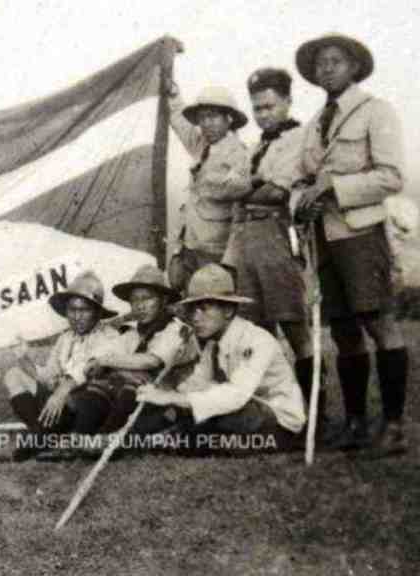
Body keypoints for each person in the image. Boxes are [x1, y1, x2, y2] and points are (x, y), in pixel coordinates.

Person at [293, 33, 408, 457]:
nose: (326, 69)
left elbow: (392, 177)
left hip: (361, 233)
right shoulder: (313, 125)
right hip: (323, 238)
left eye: (335, 61)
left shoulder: (375, 111)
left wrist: (334, 188)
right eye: (320, 63)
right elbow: (302, 180)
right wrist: (301, 201)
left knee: (379, 324)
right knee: (344, 332)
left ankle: (393, 427)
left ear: (354, 67)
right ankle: (356, 423)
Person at [224, 67, 325, 431]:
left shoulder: (298, 139)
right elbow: (232, 189)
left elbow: (276, 192)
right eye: (257, 108)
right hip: (247, 240)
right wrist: (253, 184)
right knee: (257, 332)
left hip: (276, 237)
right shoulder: (257, 146)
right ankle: (272, 414)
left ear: (287, 101)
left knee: (294, 327)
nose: (263, 114)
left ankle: (316, 415)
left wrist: (247, 187)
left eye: (269, 106)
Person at [136, 264, 306, 453]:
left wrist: (172, 398)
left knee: (217, 414)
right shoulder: (213, 345)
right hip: (244, 415)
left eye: (204, 309)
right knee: (193, 412)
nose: (195, 318)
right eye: (192, 310)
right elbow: (197, 384)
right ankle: (173, 438)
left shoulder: (257, 340)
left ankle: (181, 439)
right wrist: (164, 392)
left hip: (277, 423)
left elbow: (236, 396)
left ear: (228, 310)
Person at [0, 271, 120, 461]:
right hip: (61, 406)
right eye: (72, 310)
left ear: (97, 312)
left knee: (78, 396)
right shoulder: (66, 338)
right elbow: (47, 375)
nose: (77, 316)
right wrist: (23, 357)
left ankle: (35, 443)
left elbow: (87, 368)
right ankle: (43, 435)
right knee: (14, 375)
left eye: (84, 310)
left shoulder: (109, 336)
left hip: (88, 409)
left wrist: (61, 392)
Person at [78, 264, 198, 439]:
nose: (140, 306)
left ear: (163, 300)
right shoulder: (134, 333)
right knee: (99, 385)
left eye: (147, 298)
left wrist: (106, 362)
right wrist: (99, 362)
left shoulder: (177, 330)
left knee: (135, 384)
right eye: (134, 300)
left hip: (175, 403)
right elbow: (101, 354)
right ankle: (80, 437)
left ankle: (104, 439)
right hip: (145, 401)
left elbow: (151, 361)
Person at [166, 85, 252, 294]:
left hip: (215, 250)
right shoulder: (202, 146)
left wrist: (230, 260)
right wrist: (174, 96)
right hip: (190, 245)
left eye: (213, 117)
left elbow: (240, 199)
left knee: (211, 301)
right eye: (202, 118)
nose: (206, 123)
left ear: (228, 119)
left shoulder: (239, 155)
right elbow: (182, 125)